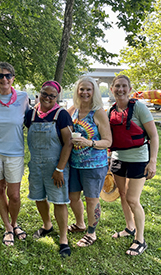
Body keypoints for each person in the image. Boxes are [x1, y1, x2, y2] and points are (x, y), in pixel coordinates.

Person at [0, 62, 30, 246]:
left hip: (15, 152)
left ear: (13, 78)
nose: (4, 79)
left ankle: (15, 223)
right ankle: (8, 227)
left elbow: (35, 119)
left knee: (15, 194)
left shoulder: (23, 97)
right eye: (0, 76)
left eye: (8, 75)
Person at [109, 75, 159, 256]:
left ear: (129, 89)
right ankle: (129, 227)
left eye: (124, 86)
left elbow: (154, 136)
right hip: (117, 158)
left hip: (138, 158)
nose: (120, 90)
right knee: (122, 195)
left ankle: (140, 239)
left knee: (132, 199)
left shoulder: (139, 107)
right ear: (112, 89)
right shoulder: (111, 110)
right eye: (117, 86)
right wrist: (109, 159)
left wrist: (152, 161)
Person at [25, 80, 73, 257]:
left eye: (52, 96)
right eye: (44, 94)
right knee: (38, 196)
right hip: (36, 164)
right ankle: (47, 225)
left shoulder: (61, 115)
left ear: (57, 97)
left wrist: (59, 169)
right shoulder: (30, 115)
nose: (47, 98)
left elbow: (68, 143)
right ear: (39, 93)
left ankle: (63, 239)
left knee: (59, 201)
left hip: (56, 166)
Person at [67, 76, 112, 247]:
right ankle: (80, 224)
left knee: (91, 199)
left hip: (94, 165)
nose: (85, 92)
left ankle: (91, 233)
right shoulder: (73, 110)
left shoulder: (98, 112)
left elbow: (108, 141)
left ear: (94, 92)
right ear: (77, 91)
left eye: (88, 89)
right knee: (73, 197)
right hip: (75, 163)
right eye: (82, 89)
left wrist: (90, 143)